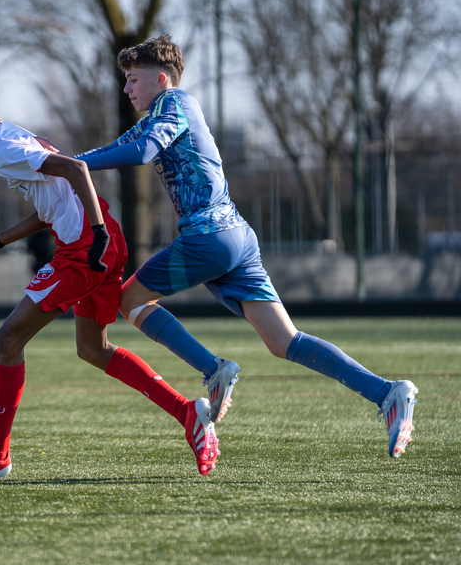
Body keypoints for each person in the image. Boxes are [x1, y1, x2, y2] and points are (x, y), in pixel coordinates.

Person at [58, 34, 416, 459]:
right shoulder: (162, 111)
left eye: (132, 79)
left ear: (160, 79)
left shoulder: (174, 103)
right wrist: (59, 162)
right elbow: (118, 147)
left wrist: (70, 166)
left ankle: (213, 368)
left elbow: (141, 153)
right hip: (237, 237)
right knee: (284, 341)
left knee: (129, 299)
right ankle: (388, 392)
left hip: (209, 236)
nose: (126, 88)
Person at [0, 78, 219, 480]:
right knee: (93, 348)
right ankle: (187, 412)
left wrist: (97, 233)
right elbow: (52, 204)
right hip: (100, 240)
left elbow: (76, 168)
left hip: (86, 248)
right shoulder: (14, 138)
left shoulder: (5, 148)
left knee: (7, 340)